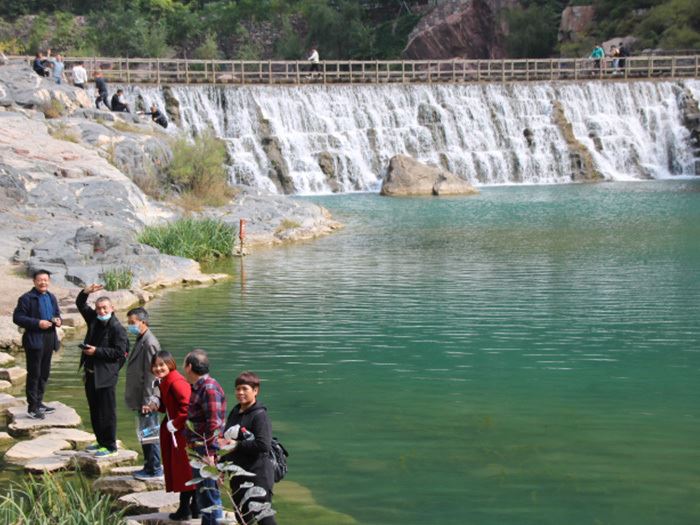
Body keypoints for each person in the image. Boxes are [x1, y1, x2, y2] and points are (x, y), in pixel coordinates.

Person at [76, 283, 128, 457]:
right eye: (98, 308)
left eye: (105, 308)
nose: (102, 311)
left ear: (112, 308)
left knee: (107, 412)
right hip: (91, 374)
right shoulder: (94, 320)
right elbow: (80, 304)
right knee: (95, 409)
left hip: (106, 375)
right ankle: (100, 441)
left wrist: (96, 351)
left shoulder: (117, 328)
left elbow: (119, 352)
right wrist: (85, 292)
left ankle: (111, 446)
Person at [145, 351, 197, 521]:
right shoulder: (166, 381)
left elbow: (187, 408)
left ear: (170, 364)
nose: (158, 368)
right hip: (176, 429)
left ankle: (185, 508)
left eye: (162, 364)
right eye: (155, 365)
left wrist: (175, 423)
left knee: (184, 470)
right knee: (185, 469)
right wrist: (156, 405)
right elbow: (169, 405)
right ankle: (194, 507)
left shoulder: (176, 382)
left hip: (182, 432)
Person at [220, 371, 278, 525]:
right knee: (241, 515)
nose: (240, 393)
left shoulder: (260, 415)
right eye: (238, 389)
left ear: (255, 391)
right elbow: (227, 442)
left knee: (264, 517)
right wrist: (221, 467)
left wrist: (238, 445)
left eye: (245, 389)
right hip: (237, 475)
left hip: (257, 475)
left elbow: (263, 445)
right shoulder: (235, 412)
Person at [183, 349, 226, 525]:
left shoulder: (208, 388)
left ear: (189, 367)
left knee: (210, 495)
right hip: (198, 449)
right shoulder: (198, 387)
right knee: (203, 495)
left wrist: (210, 454)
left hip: (206, 451)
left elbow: (214, 424)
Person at [12, 269, 62, 420]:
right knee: (34, 373)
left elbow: (57, 314)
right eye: (40, 280)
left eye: (45, 280)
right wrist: (38, 323)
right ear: (34, 281)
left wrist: (58, 320)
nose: (43, 282)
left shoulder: (51, 297)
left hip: (49, 338)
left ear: (49, 281)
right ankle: (32, 407)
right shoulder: (26, 298)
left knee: (44, 372)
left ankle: (39, 402)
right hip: (34, 339)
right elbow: (18, 317)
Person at [124, 307, 163, 480]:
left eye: (132, 323)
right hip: (141, 396)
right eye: (129, 323)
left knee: (150, 433)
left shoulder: (149, 343)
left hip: (147, 398)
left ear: (143, 322)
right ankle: (148, 465)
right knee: (145, 432)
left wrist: (148, 400)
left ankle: (154, 469)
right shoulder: (141, 339)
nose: (130, 326)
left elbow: (151, 374)